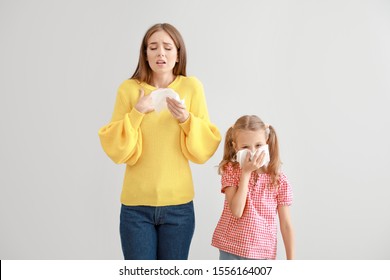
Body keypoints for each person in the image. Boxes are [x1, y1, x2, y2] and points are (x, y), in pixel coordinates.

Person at [98, 23, 221, 260]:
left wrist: (186, 119)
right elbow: (115, 147)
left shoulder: (191, 87)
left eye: (167, 47)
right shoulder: (129, 89)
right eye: (153, 47)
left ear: (178, 54)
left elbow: (205, 146)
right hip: (136, 209)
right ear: (145, 54)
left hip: (179, 208)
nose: (160, 53)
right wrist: (137, 112)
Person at [211, 115, 294, 260]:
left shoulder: (278, 179)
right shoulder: (230, 170)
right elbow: (236, 211)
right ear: (235, 147)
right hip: (231, 249)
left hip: (262, 254)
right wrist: (246, 173)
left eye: (258, 145)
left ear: (266, 142)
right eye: (245, 147)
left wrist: (291, 260)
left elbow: (286, 224)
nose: (253, 152)